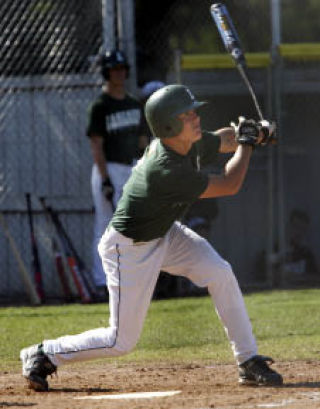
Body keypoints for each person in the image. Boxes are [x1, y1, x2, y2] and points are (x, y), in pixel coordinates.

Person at [20, 84, 283, 391]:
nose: (196, 117)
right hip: (128, 248)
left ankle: (248, 361)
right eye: (187, 115)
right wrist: (248, 144)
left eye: (194, 111)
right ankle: (42, 354)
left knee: (219, 272)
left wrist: (250, 133)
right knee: (121, 341)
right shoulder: (166, 169)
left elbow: (224, 139)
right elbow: (229, 183)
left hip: (164, 232)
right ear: (169, 125)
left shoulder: (183, 143)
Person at [86, 49, 148, 298]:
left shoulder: (134, 104)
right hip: (109, 167)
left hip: (132, 167)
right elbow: (96, 145)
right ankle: (101, 281)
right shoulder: (100, 106)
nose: (119, 74)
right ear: (106, 73)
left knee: (132, 226)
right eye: (114, 70)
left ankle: (130, 280)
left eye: (122, 69)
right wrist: (105, 179)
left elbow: (143, 140)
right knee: (105, 225)